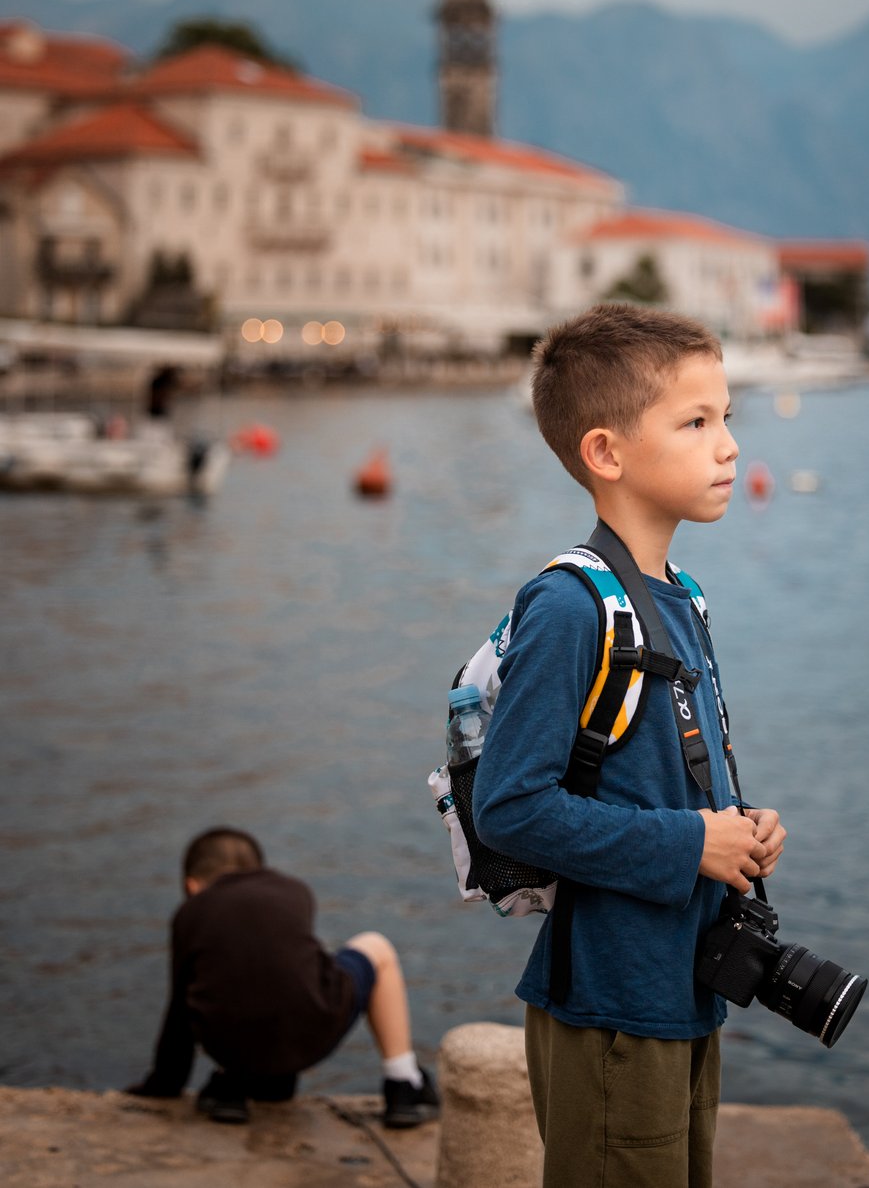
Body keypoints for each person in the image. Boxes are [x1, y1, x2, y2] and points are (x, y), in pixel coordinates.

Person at [473, 304, 787, 1188]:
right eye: (696, 423)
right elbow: (510, 807)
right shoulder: (572, 608)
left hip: (680, 987)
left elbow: (663, 773)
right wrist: (693, 844)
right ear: (606, 453)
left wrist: (738, 829)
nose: (727, 446)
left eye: (727, 417)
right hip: (611, 1003)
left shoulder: (679, 594)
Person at [125, 827, 438, 1129]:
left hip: (230, 1045)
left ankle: (232, 1084)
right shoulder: (295, 890)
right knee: (376, 947)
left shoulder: (190, 913)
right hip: (313, 1030)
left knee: (226, 974)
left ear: (192, 885)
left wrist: (165, 1084)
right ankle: (403, 1083)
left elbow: (178, 1012)